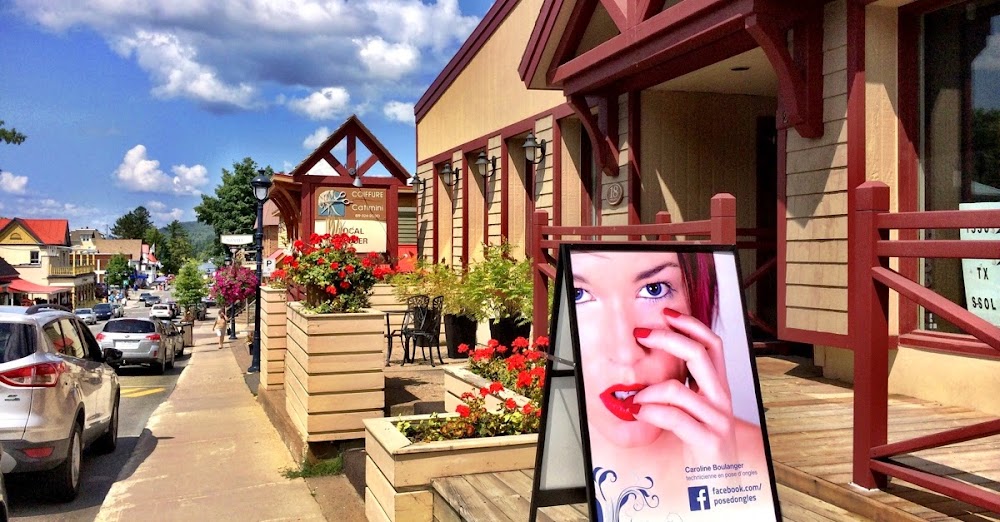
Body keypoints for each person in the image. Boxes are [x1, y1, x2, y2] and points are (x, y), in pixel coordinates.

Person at [570, 249, 776, 520]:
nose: (626, 353)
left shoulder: (752, 457)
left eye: (654, 289)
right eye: (577, 295)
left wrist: (723, 486)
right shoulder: (559, 454)